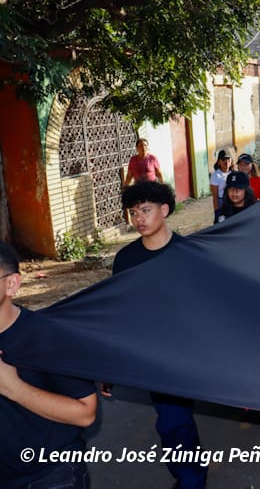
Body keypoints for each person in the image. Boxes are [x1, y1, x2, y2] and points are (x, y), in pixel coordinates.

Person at [112, 182, 208, 488]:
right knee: (172, 423)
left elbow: (208, 309)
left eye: (146, 209)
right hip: (150, 357)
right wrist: (106, 363)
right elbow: (116, 312)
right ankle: (190, 476)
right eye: (133, 211)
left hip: (185, 354)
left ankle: (191, 480)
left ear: (164, 210)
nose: (138, 217)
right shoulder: (125, 259)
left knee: (174, 422)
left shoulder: (188, 253)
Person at [0, 242, 97, 489]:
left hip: (51, 476)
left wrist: (14, 388)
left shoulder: (50, 336)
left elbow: (85, 413)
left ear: (11, 284)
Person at [209, 149, 232, 224]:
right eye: (223, 159)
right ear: (219, 162)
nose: (226, 162)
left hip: (233, 201)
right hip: (221, 202)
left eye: (228, 159)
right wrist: (217, 212)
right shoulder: (215, 175)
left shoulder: (234, 174)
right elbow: (215, 196)